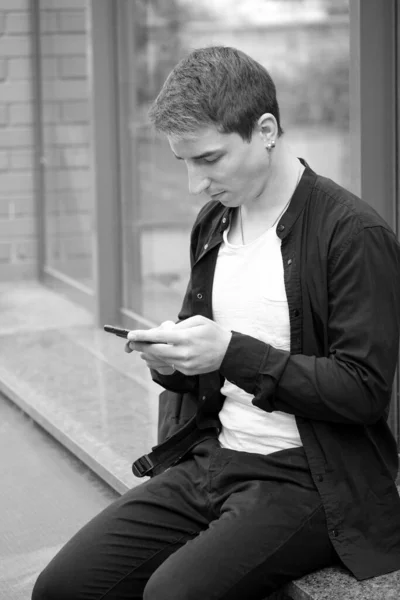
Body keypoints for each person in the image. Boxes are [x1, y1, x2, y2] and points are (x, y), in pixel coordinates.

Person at [32, 46, 400, 600]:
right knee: (63, 588)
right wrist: (171, 359)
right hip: (213, 456)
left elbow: (364, 391)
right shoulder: (214, 223)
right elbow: (206, 362)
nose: (194, 184)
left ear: (266, 130)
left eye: (209, 160)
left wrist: (230, 352)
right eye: (183, 162)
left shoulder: (352, 235)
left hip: (309, 481)